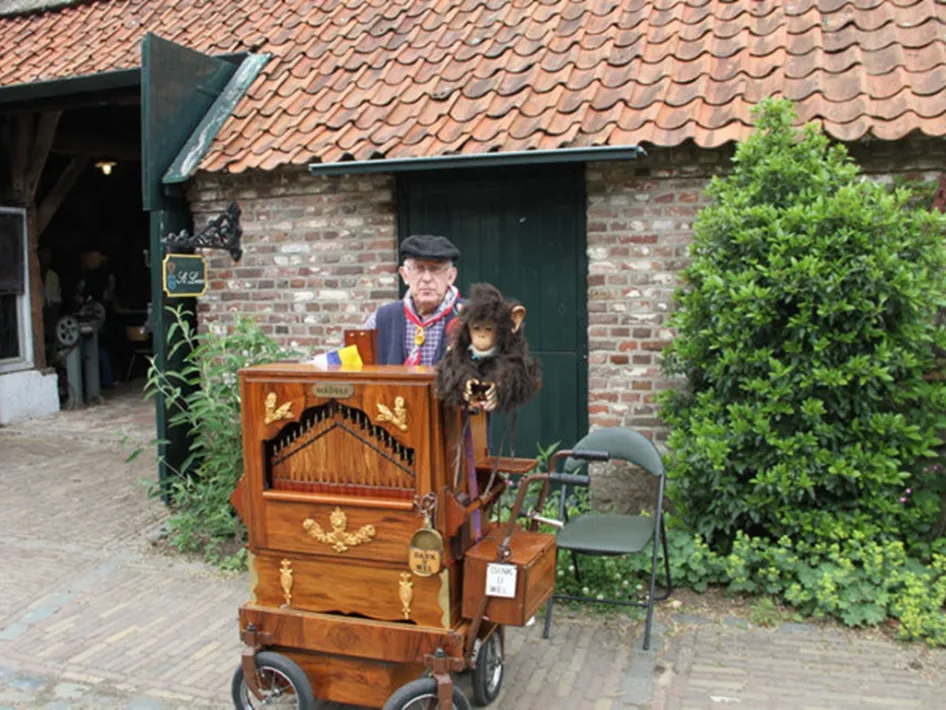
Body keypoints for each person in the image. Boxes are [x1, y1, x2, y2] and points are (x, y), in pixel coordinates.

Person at [363, 234, 464, 366]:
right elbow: (348, 363)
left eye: (435, 269)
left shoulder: (471, 317)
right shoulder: (381, 319)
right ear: (404, 275)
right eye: (418, 268)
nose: (427, 278)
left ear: (451, 276)